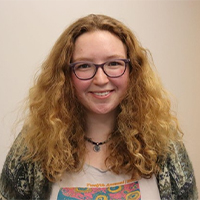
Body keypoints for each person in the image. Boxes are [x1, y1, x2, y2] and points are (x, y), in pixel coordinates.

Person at [0, 14, 198, 200]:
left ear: (132, 70)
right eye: (84, 66)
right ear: (65, 75)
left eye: (113, 63)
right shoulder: (34, 145)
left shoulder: (164, 143)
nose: (101, 79)